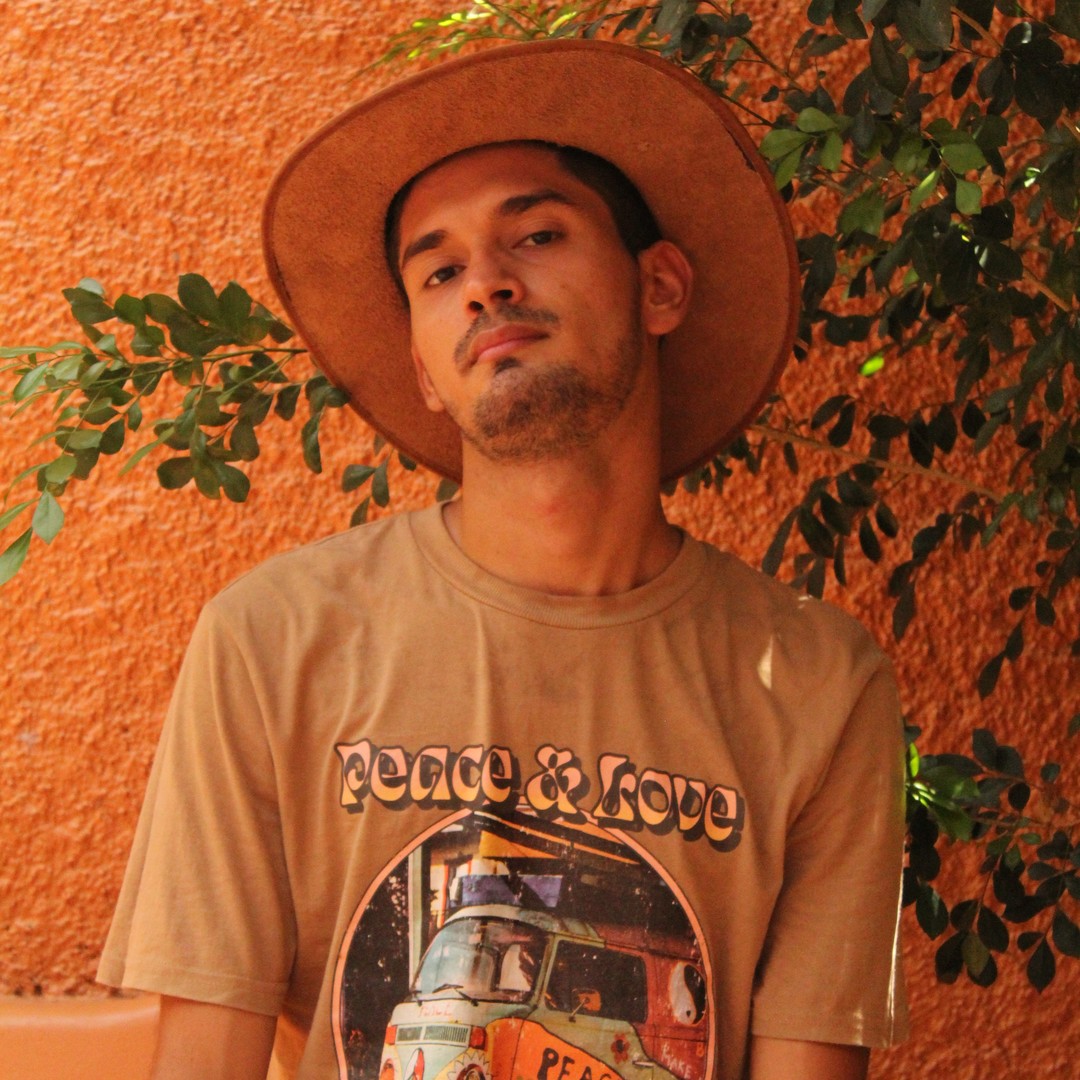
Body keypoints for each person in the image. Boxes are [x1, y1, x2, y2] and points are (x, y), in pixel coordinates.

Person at [98, 39, 909, 1080]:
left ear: (660, 287)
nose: (484, 284)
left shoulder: (819, 686)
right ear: (423, 371)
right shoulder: (271, 643)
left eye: (535, 234)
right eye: (439, 272)